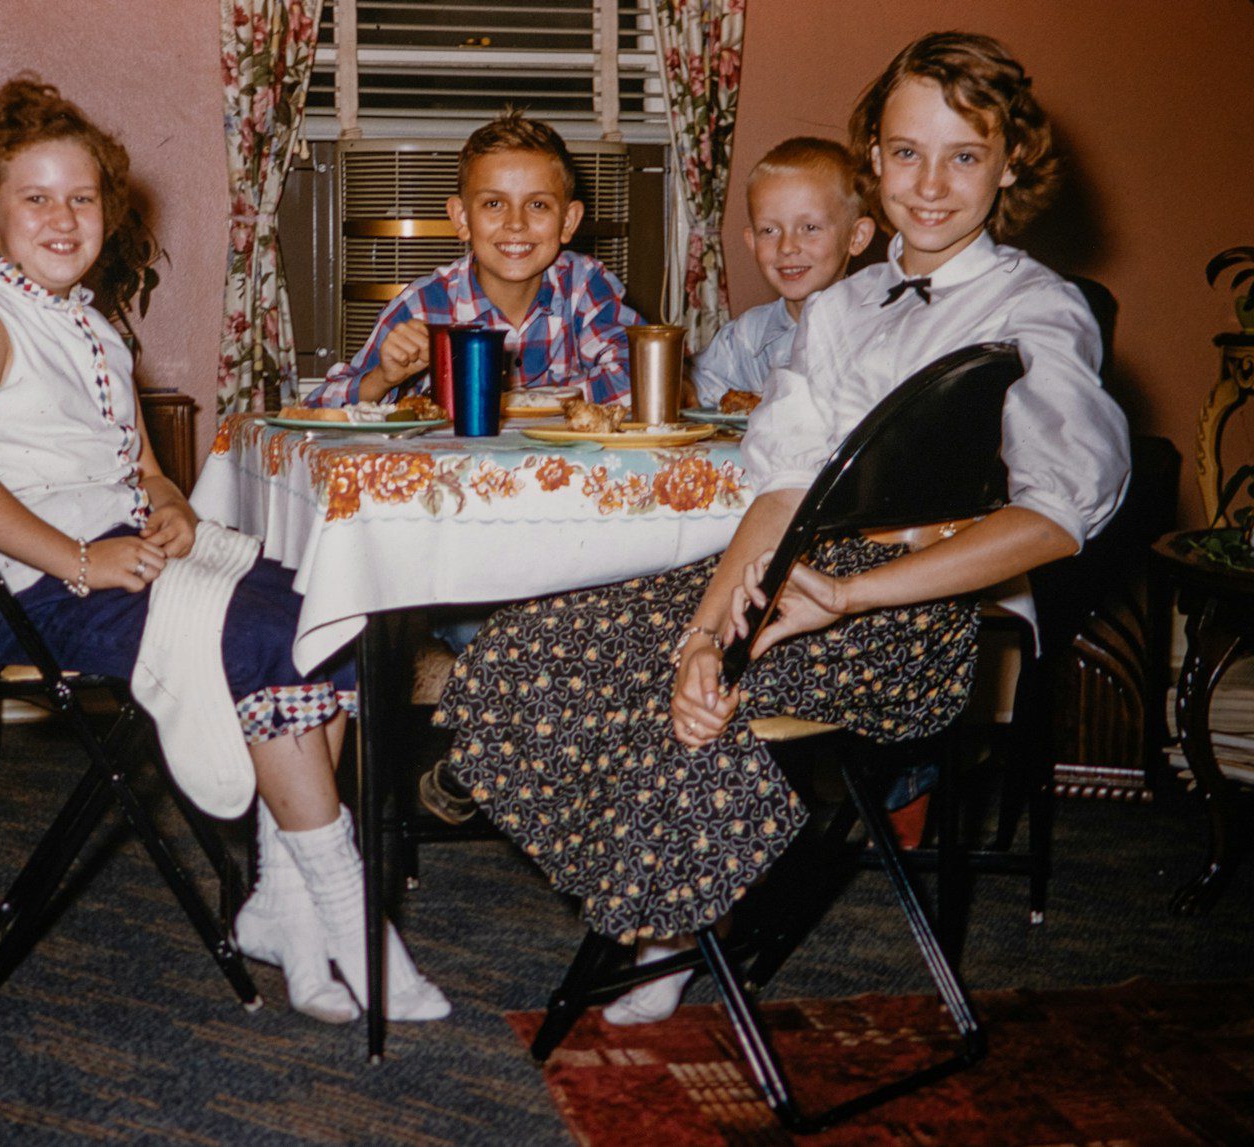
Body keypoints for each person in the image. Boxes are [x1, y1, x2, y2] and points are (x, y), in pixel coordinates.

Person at [432, 31, 1130, 1026]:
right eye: (903, 153)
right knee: (515, 659)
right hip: (791, 580)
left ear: (1010, 162)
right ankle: (679, 904)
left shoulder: (1036, 310)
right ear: (872, 160)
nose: (928, 184)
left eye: (963, 155)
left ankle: (672, 917)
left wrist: (845, 594)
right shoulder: (841, 308)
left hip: (913, 614)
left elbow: (1056, 519)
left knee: (693, 713)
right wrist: (706, 633)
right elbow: (778, 494)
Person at [0, 75, 448, 1026]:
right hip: (28, 585)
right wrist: (81, 558)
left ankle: (280, 906)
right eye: (35, 198)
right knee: (251, 636)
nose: (64, 217)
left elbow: (142, 464)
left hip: (109, 554)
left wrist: (170, 509)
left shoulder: (92, 320)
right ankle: (350, 913)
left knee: (319, 603)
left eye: (83, 197)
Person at [307, 110, 641, 408]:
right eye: (494, 204)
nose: (516, 223)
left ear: (567, 221)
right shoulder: (424, 306)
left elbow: (642, 378)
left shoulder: (585, 286)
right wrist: (382, 378)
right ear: (462, 219)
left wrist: (528, 404)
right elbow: (316, 408)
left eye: (537, 204)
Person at [690, 137, 874, 407]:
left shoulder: (875, 330)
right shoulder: (744, 338)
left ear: (856, 237)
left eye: (810, 228)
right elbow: (696, 398)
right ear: (751, 242)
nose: (787, 247)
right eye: (769, 231)